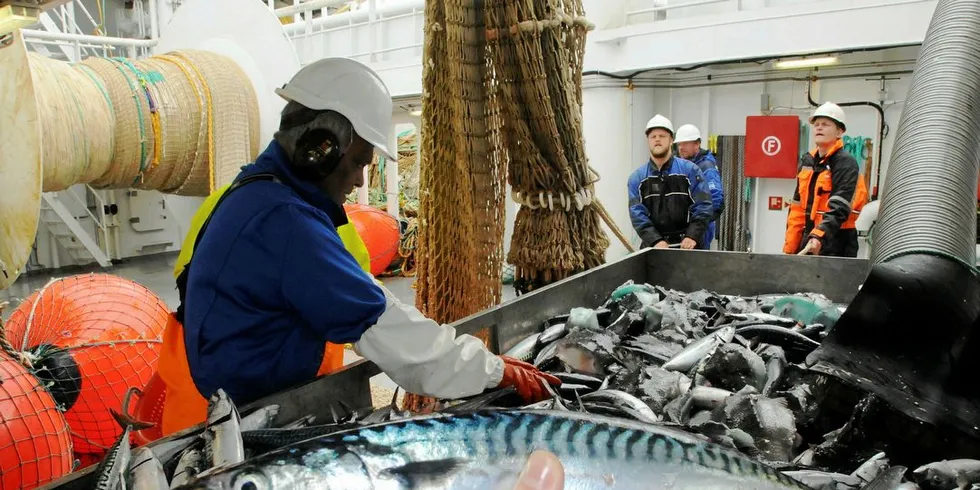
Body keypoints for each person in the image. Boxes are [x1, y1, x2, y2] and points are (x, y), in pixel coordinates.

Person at [153, 57, 559, 436]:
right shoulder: (286, 223)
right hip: (245, 426)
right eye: (361, 161)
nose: (362, 181)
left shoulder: (254, 194)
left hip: (223, 405)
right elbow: (391, 335)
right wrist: (493, 372)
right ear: (321, 148)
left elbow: (366, 300)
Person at [783, 102, 868, 257]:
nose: (819, 127)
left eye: (826, 124)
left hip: (837, 243)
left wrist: (819, 236)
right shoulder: (808, 162)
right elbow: (797, 208)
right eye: (816, 124)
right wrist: (790, 248)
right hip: (809, 240)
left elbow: (840, 207)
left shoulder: (845, 163)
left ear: (839, 131)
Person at [627, 114, 713, 250]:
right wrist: (655, 241)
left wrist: (692, 236)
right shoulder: (637, 179)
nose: (657, 140)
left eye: (662, 136)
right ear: (647, 140)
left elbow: (704, 205)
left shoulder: (690, 171)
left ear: (671, 140)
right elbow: (637, 214)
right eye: (653, 137)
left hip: (688, 248)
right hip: (654, 249)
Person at [674, 124, 724, 249]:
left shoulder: (706, 167)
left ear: (696, 144)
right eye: (679, 144)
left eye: (685, 143)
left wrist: (698, 226)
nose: (681, 147)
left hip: (699, 227)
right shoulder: (684, 165)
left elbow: (716, 200)